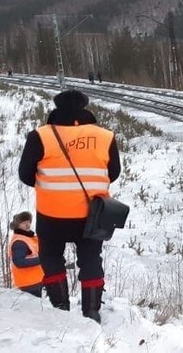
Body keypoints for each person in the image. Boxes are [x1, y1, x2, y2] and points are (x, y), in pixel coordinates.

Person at [18, 89, 121, 323]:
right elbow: (113, 172)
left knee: (51, 256)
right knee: (91, 259)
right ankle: (92, 311)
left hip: (52, 214)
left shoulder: (40, 136)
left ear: (57, 110)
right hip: (92, 213)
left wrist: (52, 184)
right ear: (85, 110)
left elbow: (25, 175)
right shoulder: (105, 136)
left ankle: (60, 308)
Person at [8, 211, 44, 298]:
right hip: (29, 284)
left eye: (28, 222)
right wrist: (41, 259)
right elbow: (19, 262)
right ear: (18, 225)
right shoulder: (19, 241)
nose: (27, 225)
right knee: (33, 310)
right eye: (24, 223)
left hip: (34, 281)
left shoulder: (27, 238)